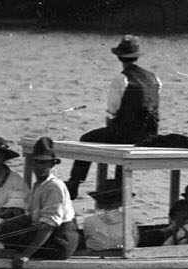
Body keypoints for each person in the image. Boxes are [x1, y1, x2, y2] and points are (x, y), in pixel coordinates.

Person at [66, 35, 161, 199]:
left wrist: (112, 129)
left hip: (126, 134)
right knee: (120, 144)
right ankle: (120, 183)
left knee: (87, 138)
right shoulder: (154, 78)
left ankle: (74, 183)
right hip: (149, 136)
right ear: (137, 56)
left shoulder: (121, 79)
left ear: (118, 57)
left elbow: (112, 113)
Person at [0, 137, 79, 269]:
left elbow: (48, 225)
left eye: (45, 163)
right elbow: (33, 216)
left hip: (61, 242)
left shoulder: (54, 186)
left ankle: (22, 254)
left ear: (52, 165)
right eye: (37, 162)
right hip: (51, 236)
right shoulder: (38, 185)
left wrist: (26, 255)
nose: (40, 167)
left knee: (7, 232)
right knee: (6, 228)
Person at [79, 181, 126, 252]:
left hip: (95, 257)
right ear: (120, 202)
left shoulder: (89, 221)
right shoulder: (128, 220)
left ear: (100, 202)